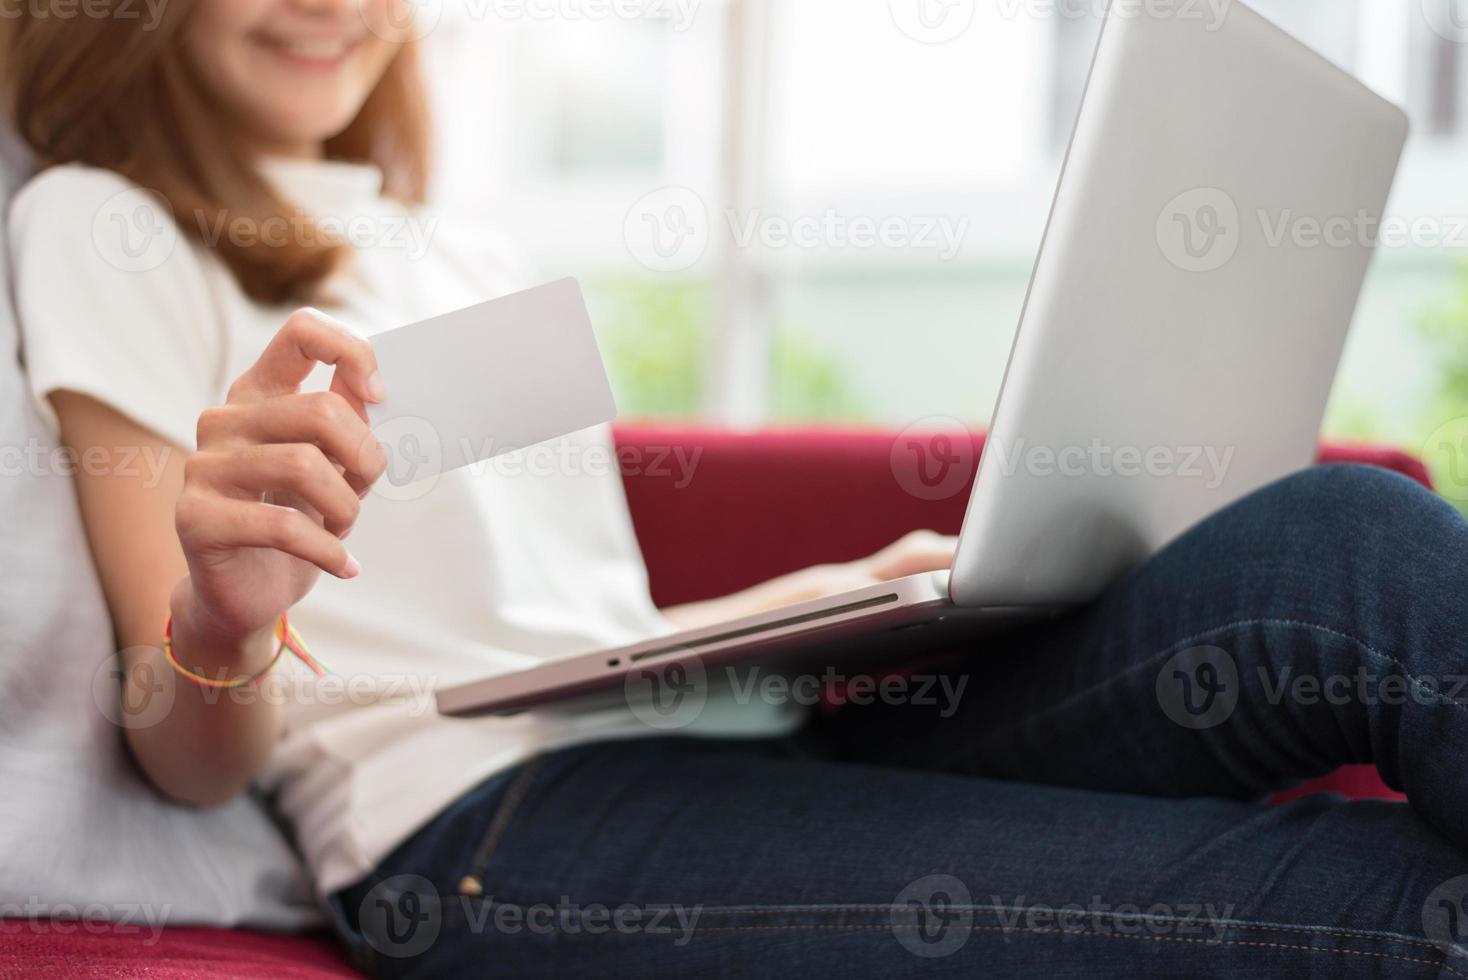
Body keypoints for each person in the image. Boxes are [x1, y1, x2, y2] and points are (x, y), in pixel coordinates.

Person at [4, 2, 1467, 976]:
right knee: (1372, 897)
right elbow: (179, 748)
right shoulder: (105, 223)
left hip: (724, 737)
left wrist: (844, 595)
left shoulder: (462, 243)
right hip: (478, 835)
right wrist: (228, 616)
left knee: (1349, 551)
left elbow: (582, 631)